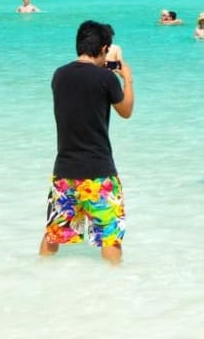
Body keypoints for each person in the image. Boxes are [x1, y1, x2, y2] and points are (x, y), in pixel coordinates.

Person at [39, 20, 134, 265]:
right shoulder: (106, 78)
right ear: (103, 48)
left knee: (53, 236)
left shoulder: (59, 75)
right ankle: (113, 289)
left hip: (64, 171)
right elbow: (126, 111)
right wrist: (128, 79)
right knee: (109, 239)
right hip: (99, 173)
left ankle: (39, 277)